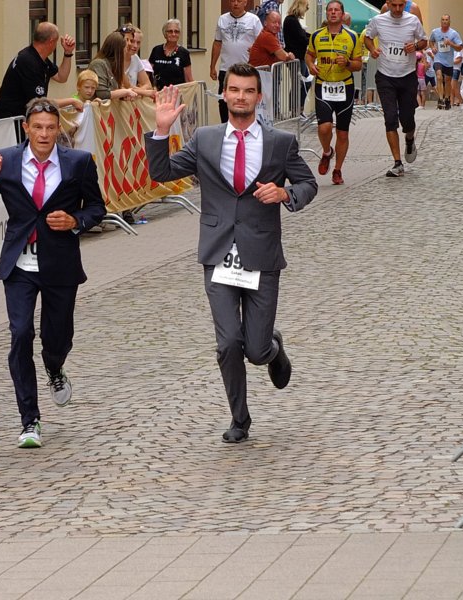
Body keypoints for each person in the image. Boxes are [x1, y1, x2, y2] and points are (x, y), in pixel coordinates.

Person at [144, 63, 318, 443]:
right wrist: (161, 130)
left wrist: (285, 193)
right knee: (228, 343)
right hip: (218, 252)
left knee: (254, 349)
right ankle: (240, 419)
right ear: (224, 94)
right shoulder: (206, 140)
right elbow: (162, 173)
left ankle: (273, 349)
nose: (240, 96)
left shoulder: (279, 143)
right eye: (234, 89)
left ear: (259, 96)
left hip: (262, 253)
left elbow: (308, 183)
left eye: (248, 90)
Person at [0, 98, 106, 449]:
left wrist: (76, 221)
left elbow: (98, 207)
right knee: (21, 333)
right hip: (20, 264)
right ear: (25, 128)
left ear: (59, 130)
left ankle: (54, 367)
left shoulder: (79, 162)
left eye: (50, 128)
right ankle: (30, 420)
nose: (44, 134)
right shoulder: (7, 161)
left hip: (60, 263)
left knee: (57, 337)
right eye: (37, 127)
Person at [364, 0, 428, 177]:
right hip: (385, 76)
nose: (398, 9)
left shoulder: (412, 20)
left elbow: (424, 41)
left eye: (401, 5)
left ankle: (409, 139)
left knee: (407, 119)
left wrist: (414, 47)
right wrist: (372, 50)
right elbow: (367, 37)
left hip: (407, 76)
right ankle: (397, 163)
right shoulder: (379, 20)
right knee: (390, 118)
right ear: (388, 4)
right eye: (394, 5)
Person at [306, 0, 363, 185]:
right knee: (323, 127)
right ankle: (327, 152)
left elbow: (358, 64)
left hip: (344, 87)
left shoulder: (352, 36)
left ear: (342, 14)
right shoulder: (316, 35)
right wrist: (310, 65)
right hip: (323, 86)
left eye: (336, 10)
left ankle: (337, 170)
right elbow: (309, 55)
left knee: (343, 133)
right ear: (327, 14)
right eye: (330, 10)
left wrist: (346, 63)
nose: (332, 13)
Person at [0, 22, 81, 121]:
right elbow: (40, 102)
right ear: (51, 41)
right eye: (56, 42)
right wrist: (72, 101)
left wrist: (68, 53)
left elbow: (61, 77)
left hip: (16, 122)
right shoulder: (28, 61)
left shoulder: (39, 58)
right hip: (7, 123)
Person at [210, 0, 263, 122]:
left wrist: (255, 51)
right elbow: (217, 43)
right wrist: (212, 66)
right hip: (226, 69)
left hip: (247, 69)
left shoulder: (253, 20)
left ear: (245, 2)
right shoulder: (222, 19)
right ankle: (225, 127)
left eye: (239, 0)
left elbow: (261, 42)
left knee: (246, 100)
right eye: (233, 0)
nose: (236, 3)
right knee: (224, 101)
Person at [88, 32, 139, 101]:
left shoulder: (114, 66)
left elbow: (118, 88)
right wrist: (125, 92)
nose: (126, 52)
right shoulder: (98, 64)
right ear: (118, 50)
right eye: (125, 48)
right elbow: (103, 94)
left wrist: (124, 95)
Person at [149, 19, 194, 90]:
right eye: (170, 31)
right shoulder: (156, 50)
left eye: (176, 31)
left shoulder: (184, 53)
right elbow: (149, 73)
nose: (173, 34)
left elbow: (188, 79)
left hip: (176, 95)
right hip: (158, 93)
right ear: (165, 33)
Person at [429, 15, 463, 110]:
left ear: (449, 22)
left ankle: (447, 99)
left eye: (446, 20)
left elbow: (460, 47)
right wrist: (433, 47)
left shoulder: (454, 33)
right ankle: (440, 98)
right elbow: (430, 41)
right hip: (438, 59)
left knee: (448, 80)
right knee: (439, 76)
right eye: (443, 20)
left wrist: (451, 43)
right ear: (440, 21)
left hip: (448, 61)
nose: (444, 22)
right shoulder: (435, 32)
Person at [282, 0, 311, 108]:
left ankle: (298, 108)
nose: (307, 10)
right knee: (299, 84)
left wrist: (313, 37)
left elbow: (302, 35)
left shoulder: (293, 20)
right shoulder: (291, 20)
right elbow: (301, 38)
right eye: (306, 7)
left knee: (304, 82)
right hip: (296, 57)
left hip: (299, 57)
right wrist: (313, 39)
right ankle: (295, 109)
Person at [120, 25, 156, 98]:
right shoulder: (115, 59)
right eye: (132, 41)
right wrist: (143, 92)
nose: (135, 46)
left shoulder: (135, 58)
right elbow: (121, 88)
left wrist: (138, 92)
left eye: (138, 42)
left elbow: (148, 85)